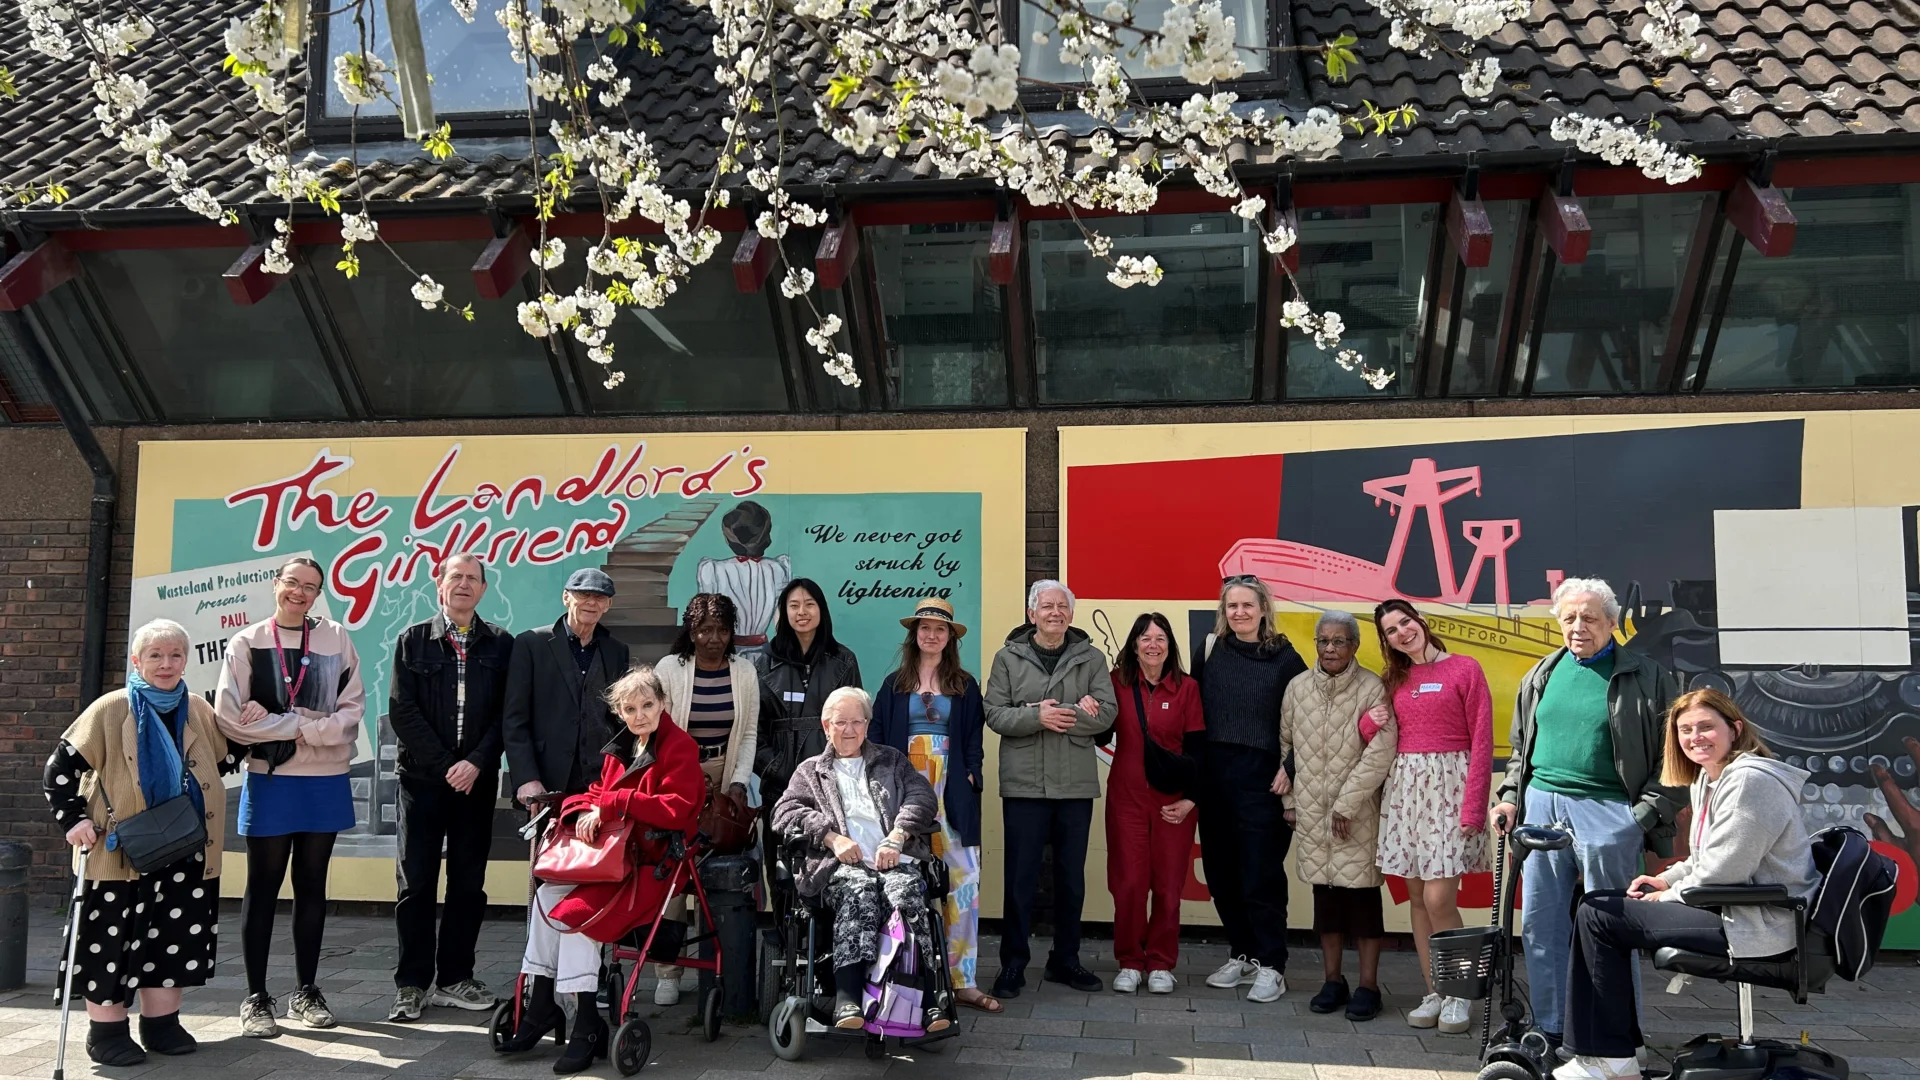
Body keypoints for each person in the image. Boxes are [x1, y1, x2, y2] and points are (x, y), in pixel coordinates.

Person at [1555, 689, 1815, 1080]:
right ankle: (1621, 1049)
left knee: (1599, 917)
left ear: (1735, 729)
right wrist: (1664, 878)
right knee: (1596, 903)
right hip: (1735, 908)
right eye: (1686, 730)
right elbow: (1705, 859)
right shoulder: (1711, 779)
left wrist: (1668, 896)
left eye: (1707, 727)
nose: (1696, 737)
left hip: (1760, 922)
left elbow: (1724, 869)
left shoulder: (1749, 781)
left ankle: (1608, 1057)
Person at [1491, 577, 1682, 1055]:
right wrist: (1512, 796)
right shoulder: (1541, 674)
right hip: (1542, 806)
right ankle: (1553, 1028)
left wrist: (1638, 818)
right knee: (1540, 923)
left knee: (1611, 924)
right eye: (1569, 618)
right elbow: (1520, 751)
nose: (1579, 627)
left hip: (1610, 810)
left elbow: (1676, 762)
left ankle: (1620, 1035)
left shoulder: (1649, 677)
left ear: (1613, 624)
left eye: (1590, 618)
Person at [43, 619, 237, 1066]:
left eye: (174, 656)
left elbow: (224, 758)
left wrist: (251, 726)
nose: (166, 664)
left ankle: (161, 1026)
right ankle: (107, 1032)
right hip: (118, 853)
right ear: (136, 660)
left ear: (185, 660)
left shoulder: (196, 708)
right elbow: (58, 772)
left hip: (185, 849)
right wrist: (73, 822)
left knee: (172, 939)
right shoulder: (111, 708)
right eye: (155, 656)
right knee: (111, 942)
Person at [498, 667, 705, 1074]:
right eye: (630, 708)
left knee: (579, 919)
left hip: (655, 863)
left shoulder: (680, 747)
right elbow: (599, 793)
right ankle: (542, 1003)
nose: (640, 714)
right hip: (610, 860)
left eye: (648, 705)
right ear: (620, 712)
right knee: (545, 897)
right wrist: (583, 809)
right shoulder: (622, 746)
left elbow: (678, 808)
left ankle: (588, 1023)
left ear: (663, 703)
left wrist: (612, 805)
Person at [216, 556, 366, 1039]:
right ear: (275, 584)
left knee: (312, 885)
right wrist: (307, 726)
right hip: (270, 777)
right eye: (292, 583)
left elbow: (352, 712)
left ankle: (307, 990)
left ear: (319, 594)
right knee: (262, 886)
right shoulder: (248, 641)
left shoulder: (336, 638)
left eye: (311, 587)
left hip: (324, 778)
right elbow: (230, 718)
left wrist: (287, 725)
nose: (300, 593)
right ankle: (256, 997)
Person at [771, 687, 951, 1034]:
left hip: (893, 863)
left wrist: (898, 836)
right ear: (827, 726)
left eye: (857, 722)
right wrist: (831, 836)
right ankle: (848, 998)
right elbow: (784, 811)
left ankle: (927, 1001)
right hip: (840, 869)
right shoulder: (810, 771)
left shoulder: (892, 760)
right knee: (859, 893)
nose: (849, 730)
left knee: (908, 898)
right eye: (841, 723)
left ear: (867, 725)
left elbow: (922, 796)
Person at [386, 553, 514, 1022]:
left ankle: (456, 977)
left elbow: (508, 714)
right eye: (454, 577)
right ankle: (412, 984)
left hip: (475, 785)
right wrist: (447, 765)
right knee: (415, 884)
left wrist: (476, 761)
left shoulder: (501, 645)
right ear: (440, 586)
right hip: (422, 783)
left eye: (472, 579)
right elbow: (403, 711)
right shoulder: (413, 640)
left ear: (483, 589)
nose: (463, 584)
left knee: (468, 883)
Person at [983, 579, 1117, 999]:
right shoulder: (1007, 658)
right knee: (1020, 879)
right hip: (1023, 785)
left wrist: (1055, 713)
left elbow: (1108, 714)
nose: (1054, 612)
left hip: (1075, 785)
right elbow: (994, 713)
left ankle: (1066, 960)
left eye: (1062, 606)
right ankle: (1013, 966)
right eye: (1046, 606)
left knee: (1070, 880)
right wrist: (1037, 717)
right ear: (1031, 614)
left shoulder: (1092, 658)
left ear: (1071, 614)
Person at [871, 596, 998, 1013]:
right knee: (904, 881)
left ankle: (963, 981)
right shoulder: (893, 685)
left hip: (952, 793)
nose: (931, 635)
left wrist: (972, 773)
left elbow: (974, 741)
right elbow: (877, 737)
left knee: (962, 884)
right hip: (906, 790)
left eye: (939, 629)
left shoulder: (964, 684)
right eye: (924, 628)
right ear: (915, 635)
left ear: (950, 638)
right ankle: (910, 976)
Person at [1371, 598, 1492, 1036]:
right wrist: (1370, 723)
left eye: (1406, 622)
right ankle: (1435, 991)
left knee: (1441, 900)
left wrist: (1474, 807)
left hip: (1452, 792)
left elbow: (1483, 740)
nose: (1403, 632)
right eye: (1391, 630)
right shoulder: (1393, 679)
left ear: (1420, 621)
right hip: (1406, 793)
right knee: (1418, 900)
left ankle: (1459, 993)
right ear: (1386, 641)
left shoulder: (1465, 668)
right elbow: (1376, 735)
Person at [1277, 611, 1395, 1021]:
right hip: (1311, 811)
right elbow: (1286, 749)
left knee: (1363, 902)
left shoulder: (1371, 688)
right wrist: (1289, 802)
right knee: (1324, 900)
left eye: (1339, 641)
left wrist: (1347, 804)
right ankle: (1332, 981)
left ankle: (1367, 986)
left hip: (1356, 813)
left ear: (1354, 646)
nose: (1330, 648)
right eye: (1323, 640)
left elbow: (1380, 752)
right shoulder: (1297, 688)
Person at [1199, 576, 1306, 1004]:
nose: (1239, 613)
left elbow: (1309, 719)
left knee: (1260, 875)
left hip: (1262, 777)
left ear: (1264, 608)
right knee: (1221, 873)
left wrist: (1291, 768)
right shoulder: (1211, 651)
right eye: (1231, 607)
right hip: (1216, 775)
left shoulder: (1285, 658)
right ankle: (1242, 954)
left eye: (1247, 605)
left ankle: (1272, 964)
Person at [653, 592, 760, 1004]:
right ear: (691, 631)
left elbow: (748, 733)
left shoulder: (744, 672)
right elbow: (658, 733)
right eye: (704, 630)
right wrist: (680, 777)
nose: (713, 638)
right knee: (674, 874)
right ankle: (668, 970)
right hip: (680, 776)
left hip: (724, 772)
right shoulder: (671, 669)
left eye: (721, 630)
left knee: (716, 872)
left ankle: (715, 967)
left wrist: (737, 782)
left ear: (732, 632)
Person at [1104, 612, 1204, 996]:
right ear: (1133, 644)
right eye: (1145, 637)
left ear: (1170, 646)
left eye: (1161, 638)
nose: (1153, 644)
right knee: (1128, 883)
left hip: (1173, 803)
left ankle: (1161, 961)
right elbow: (1099, 735)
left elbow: (1198, 751)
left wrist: (1190, 801)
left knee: (1167, 885)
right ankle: (1129, 960)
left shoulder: (1187, 689)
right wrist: (1089, 711)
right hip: (1126, 799)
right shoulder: (1116, 684)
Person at [502, 567, 632, 807]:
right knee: (546, 846)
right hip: (545, 784)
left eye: (600, 597)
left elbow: (620, 720)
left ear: (608, 604)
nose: (591, 603)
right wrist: (527, 777)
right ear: (566, 598)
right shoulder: (531, 644)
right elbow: (514, 719)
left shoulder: (616, 651)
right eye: (583, 595)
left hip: (600, 784)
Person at [754, 578, 864, 815]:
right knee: (780, 848)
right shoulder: (766, 663)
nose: (801, 612)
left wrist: (838, 767)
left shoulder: (844, 661)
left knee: (832, 847)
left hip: (833, 781)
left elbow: (857, 724)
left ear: (821, 610)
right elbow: (754, 730)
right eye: (793, 606)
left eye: (809, 604)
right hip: (779, 786)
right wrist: (775, 767)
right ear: (784, 612)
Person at [695, 500, 791, 661]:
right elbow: (780, 621)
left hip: (726, 655)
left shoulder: (713, 570)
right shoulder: (779, 569)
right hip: (763, 655)